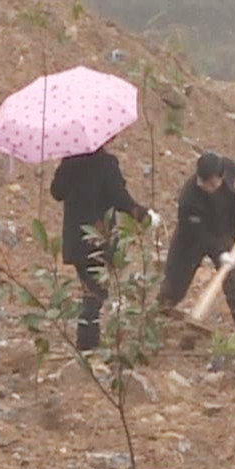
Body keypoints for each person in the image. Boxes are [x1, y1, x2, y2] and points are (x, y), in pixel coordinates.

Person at [50, 144, 159, 352]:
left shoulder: (70, 161)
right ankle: (87, 345)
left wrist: (65, 165)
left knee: (89, 288)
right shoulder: (107, 164)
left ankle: (88, 341)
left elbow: (56, 192)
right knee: (95, 293)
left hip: (75, 239)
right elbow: (120, 199)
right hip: (99, 238)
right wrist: (144, 216)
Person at [159, 151, 235, 341]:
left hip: (222, 233)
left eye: (212, 183)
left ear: (221, 178)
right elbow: (197, 233)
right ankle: (156, 320)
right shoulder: (189, 198)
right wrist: (221, 253)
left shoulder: (226, 167)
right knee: (175, 285)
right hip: (191, 240)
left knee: (233, 282)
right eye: (203, 182)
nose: (206, 187)